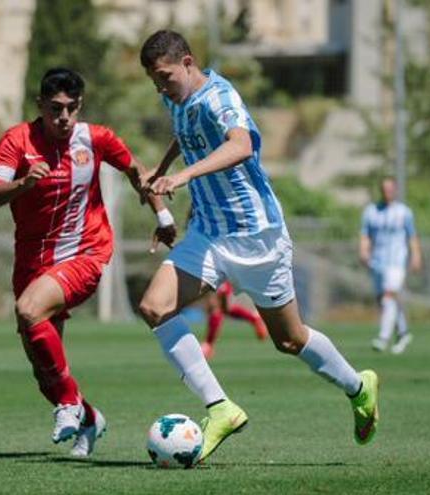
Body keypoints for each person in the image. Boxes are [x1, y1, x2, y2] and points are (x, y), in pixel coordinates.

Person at [136, 30, 379, 464]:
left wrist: (183, 177)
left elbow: (241, 145)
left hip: (257, 236)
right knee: (155, 306)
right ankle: (220, 408)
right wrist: (164, 165)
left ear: (188, 63)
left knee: (289, 339)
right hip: (210, 233)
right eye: (155, 81)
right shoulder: (174, 97)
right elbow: (185, 131)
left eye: (166, 78)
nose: (161, 88)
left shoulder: (221, 97)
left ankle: (358, 387)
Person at [0, 68, 175, 457]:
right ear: (40, 106)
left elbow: (138, 173)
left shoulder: (97, 138)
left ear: (80, 106)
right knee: (44, 373)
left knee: (28, 310)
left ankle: (69, 405)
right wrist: (23, 185)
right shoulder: (17, 140)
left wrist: (163, 217)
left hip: (86, 251)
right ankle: (87, 418)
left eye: (71, 109)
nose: (63, 117)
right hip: (32, 261)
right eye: (55, 109)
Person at [359, 177, 422, 354]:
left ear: (395, 190)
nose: (387, 192)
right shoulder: (371, 211)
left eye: (390, 188)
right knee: (386, 300)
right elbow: (365, 234)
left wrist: (416, 255)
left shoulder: (404, 212)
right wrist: (364, 251)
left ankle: (383, 337)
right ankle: (403, 333)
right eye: (384, 188)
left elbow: (412, 236)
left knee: (389, 296)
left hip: (397, 262)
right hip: (378, 261)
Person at [200, 281, 268, 360]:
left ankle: (209, 345)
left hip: (218, 273)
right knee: (224, 308)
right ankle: (254, 319)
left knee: (215, 307)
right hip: (216, 274)